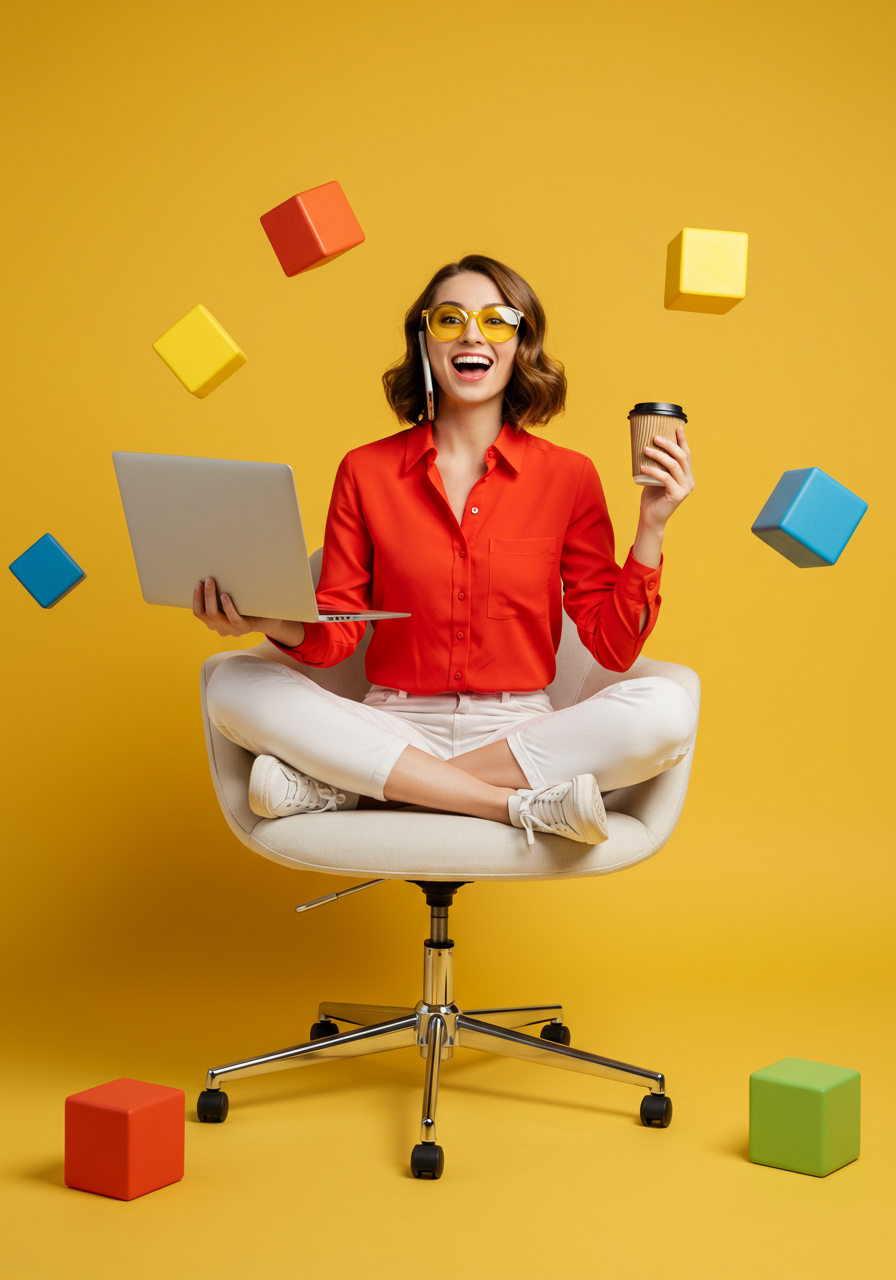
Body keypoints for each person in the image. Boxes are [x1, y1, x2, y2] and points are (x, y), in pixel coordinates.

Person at [197, 255, 697, 847]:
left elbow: (613, 650)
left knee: (666, 708)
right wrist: (265, 618)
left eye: (497, 320)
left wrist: (653, 527)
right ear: (425, 341)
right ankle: (513, 808)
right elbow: (337, 636)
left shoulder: (569, 476)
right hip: (389, 724)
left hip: (519, 735)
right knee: (231, 684)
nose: (472, 334)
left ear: (521, 344)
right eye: (449, 319)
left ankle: (351, 790)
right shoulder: (365, 470)